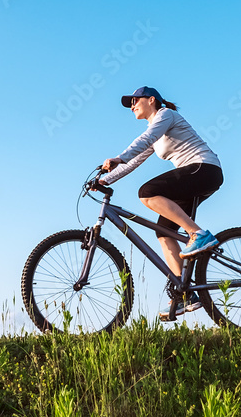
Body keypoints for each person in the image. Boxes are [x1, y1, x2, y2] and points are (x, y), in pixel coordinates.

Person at [94, 86, 224, 321]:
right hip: (195, 175)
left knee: (147, 192)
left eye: (135, 100)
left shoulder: (165, 116)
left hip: (203, 169)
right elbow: (132, 163)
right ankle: (186, 296)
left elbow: (145, 139)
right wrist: (104, 180)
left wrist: (118, 157)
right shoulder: (155, 132)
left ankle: (198, 234)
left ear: (151, 100)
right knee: (164, 233)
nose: (132, 105)